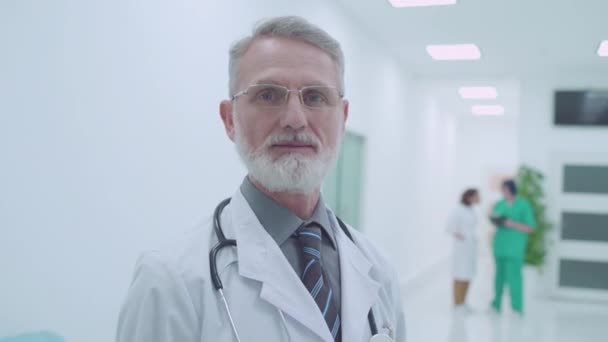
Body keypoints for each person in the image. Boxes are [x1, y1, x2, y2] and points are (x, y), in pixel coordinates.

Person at [116, 16, 405, 342]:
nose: (295, 119)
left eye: (315, 97)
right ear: (229, 120)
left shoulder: (377, 269)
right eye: (268, 95)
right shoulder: (170, 281)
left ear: (343, 119)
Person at [490, 179, 535, 315]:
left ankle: (517, 307)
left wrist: (512, 224)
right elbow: (495, 218)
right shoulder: (499, 204)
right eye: (502, 190)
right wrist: (497, 220)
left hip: (515, 247)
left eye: (506, 190)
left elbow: (530, 228)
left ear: (512, 190)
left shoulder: (523, 205)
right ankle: (496, 304)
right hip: (500, 246)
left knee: (514, 278)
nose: (504, 193)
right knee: (498, 277)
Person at [446, 188, 480, 312]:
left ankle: (464, 302)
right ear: (469, 197)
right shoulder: (458, 210)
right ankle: (457, 304)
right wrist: (459, 235)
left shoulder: (471, 210)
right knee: (459, 274)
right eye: (477, 196)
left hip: (470, 248)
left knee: (468, 275)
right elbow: (449, 227)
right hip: (461, 248)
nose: (479, 198)